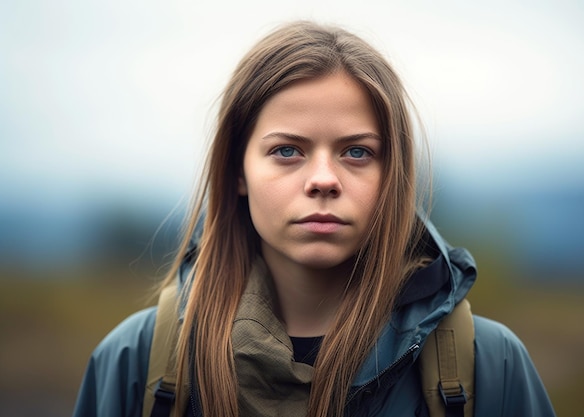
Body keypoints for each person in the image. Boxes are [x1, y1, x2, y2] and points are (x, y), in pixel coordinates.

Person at [72, 20, 556, 417]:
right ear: (237, 170)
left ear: (394, 175)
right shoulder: (135, 362)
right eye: (287, 150)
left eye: (357, 152)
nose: (323, 179)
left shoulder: (486, 364)